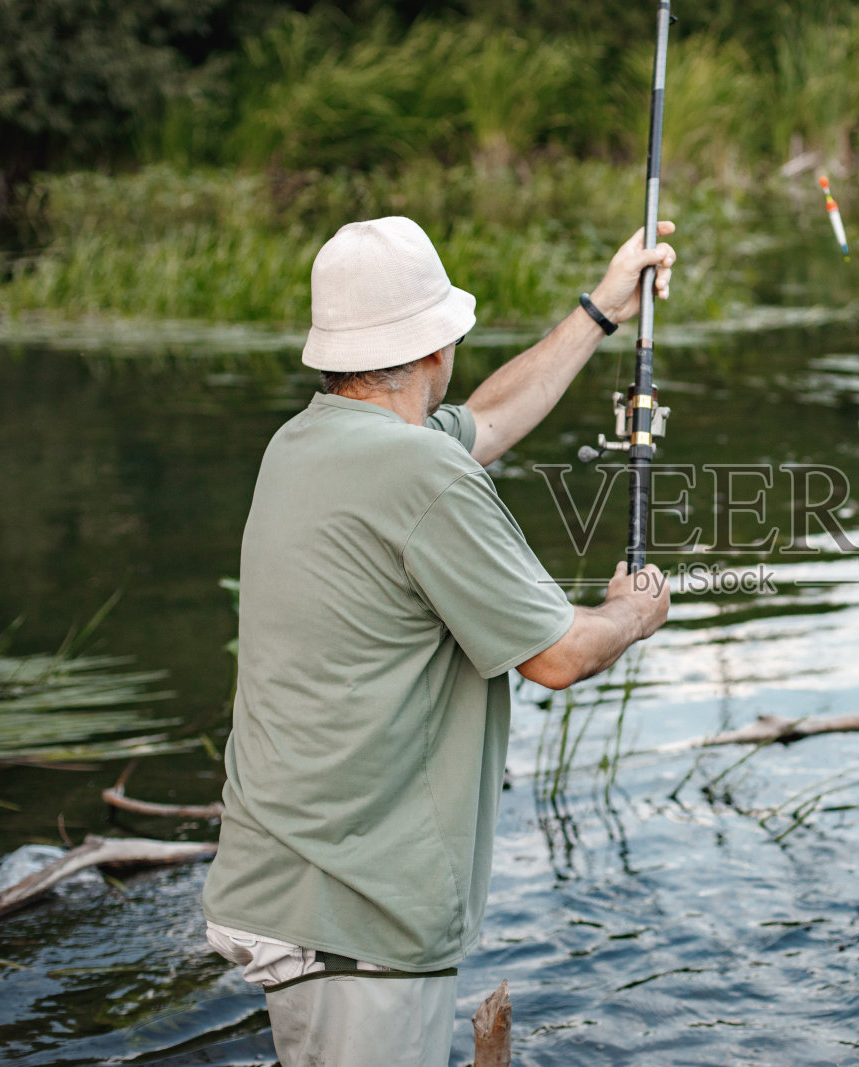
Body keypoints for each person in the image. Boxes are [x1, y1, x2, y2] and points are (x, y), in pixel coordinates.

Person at [201, 215, 675, 1066]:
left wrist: (601, 310)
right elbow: (559, 655)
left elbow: (486, 421)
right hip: (357, 917)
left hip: (291, 890)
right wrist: (633, 611)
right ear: (435, 348)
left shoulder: (305, 440)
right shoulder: (419, 472)